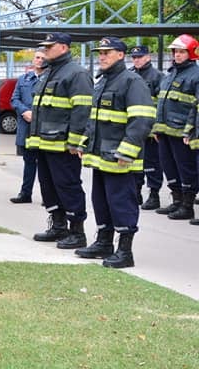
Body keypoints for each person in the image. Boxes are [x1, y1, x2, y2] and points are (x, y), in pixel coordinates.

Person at [75, 37, 156, 268]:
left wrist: (127, 152)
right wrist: (84, 143)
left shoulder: (132, 81)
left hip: (121, 158)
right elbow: (94, 119)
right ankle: (103, 242)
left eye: (107, 53)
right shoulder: (103, 82)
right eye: (100, 53)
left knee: (122, 203)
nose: (101, 56)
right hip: (101, 156)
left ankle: (125, 251)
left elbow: (142, 119)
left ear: (121, 55)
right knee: (100, 201)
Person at [27, 32, 93, 249]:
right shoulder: (49, 72)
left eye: (50, 46)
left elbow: (82, 111)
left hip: (63, 145)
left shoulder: (76, 74)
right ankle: (58, 226)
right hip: (44, 143)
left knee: (68, 186)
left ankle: (77, 232)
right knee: (48, 186)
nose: (45, 50)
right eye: (44, 47)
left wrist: (75, 143)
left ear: (64, 47)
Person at [153, 34, 199, 220]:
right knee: (169, 167)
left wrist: (190, 130)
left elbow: (196, 106)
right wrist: (157, 128)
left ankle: (187, 205)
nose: (177, 55)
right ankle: (177, 200)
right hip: (165, 132)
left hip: (182, 133)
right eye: (175, 52)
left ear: (191, 53)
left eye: (181, 52)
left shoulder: (195, 75)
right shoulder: (170, 73)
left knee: (185, 168)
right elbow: (161, 104)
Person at [128, 45, 164, 209]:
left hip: (149, 130)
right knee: (134, 164)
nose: (136, 60)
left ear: (148, 57)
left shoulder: (157, 76)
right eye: (134, 57)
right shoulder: (129, 75)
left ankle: (154, 195)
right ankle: (136, 192)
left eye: (140, 57)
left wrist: (156, 127)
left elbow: (161, 105)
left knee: (152, 164)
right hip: (133, 129)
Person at [9, 48, 45, 203]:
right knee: (28, 162)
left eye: (43, 58)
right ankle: (25, 193)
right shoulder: (24, 79)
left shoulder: (51, 80)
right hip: (27, 127)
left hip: (44, 128)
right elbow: (14, 99)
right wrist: (24, 111)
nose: (39, 60)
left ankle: (48, 196)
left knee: (45, 165)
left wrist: (36, 115)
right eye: (37, 57)